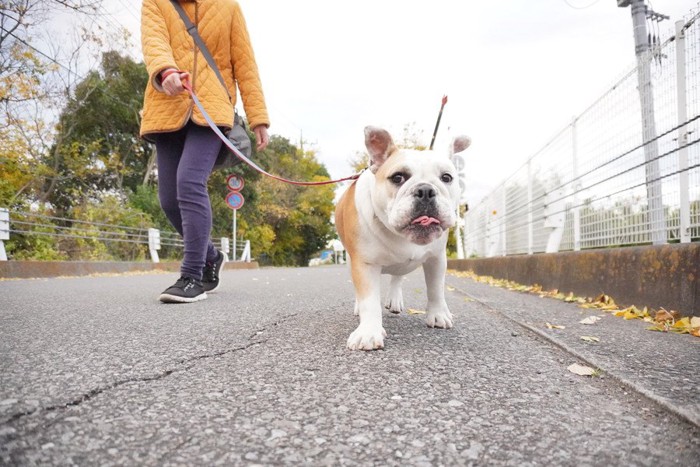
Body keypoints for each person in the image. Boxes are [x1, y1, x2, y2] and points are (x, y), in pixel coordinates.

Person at [140, 0, 270, 303]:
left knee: (189, 182)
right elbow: (153, 41)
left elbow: (245, 63)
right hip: (166, 106)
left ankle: (192, 276)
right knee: (169, 199)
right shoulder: (156, 3)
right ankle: (211, 257)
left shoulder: (228, 6)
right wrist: (165, 71)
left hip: (211, 109)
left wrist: (258, 117)